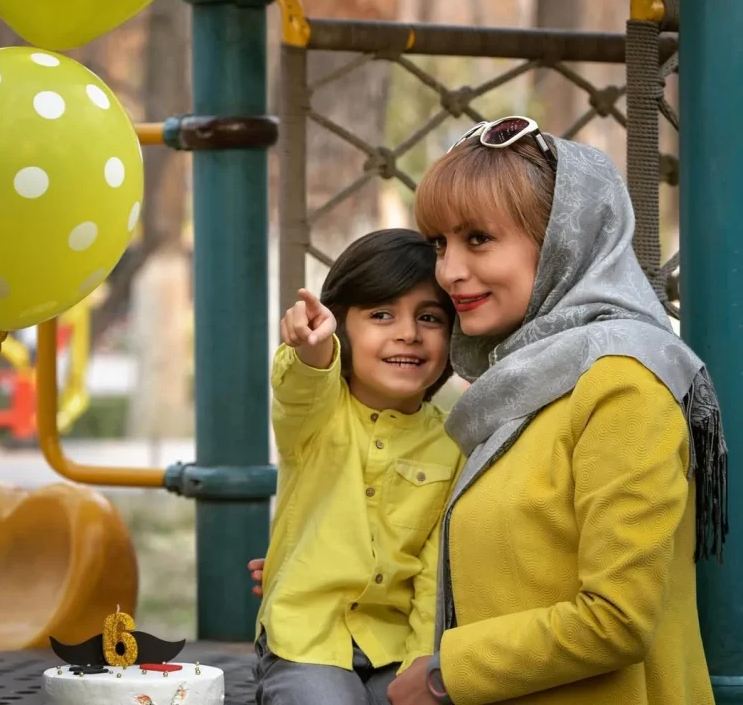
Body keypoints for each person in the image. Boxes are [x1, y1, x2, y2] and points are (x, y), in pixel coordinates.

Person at [387, 117, 726, 704]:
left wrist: (446, 676)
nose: (448, 271)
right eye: (440, 244)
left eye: (478, 239)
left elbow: (617, 619)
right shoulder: (521, 388)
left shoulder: (624, 385)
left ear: (562, 243)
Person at [253, 228, 465, 705]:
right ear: (341, 327)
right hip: (307, 641)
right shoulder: (316, 414)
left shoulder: (454, 442)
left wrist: (422, 663)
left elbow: (436, 573)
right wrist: (312, 345)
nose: (408, 333)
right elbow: (303, 381)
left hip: (396, 647)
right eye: (381, 314)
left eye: (429, 317)